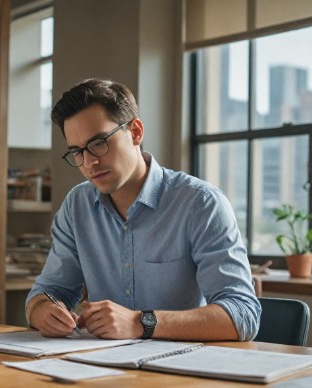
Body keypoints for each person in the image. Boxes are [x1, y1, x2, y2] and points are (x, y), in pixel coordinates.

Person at [26, 78, 261, 341]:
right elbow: (48, 291)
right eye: (77, 152)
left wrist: (142, 322)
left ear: (136, 132)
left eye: (99, 142)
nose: (89, 161)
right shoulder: (76, 206)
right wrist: (43, 310)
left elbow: (243, 314)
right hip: (102, 369)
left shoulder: (201, 204)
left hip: (183, 372)